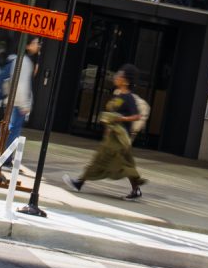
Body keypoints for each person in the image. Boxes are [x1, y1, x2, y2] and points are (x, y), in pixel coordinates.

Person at [62, 63, 148, 200]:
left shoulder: (129, 98)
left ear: (125, 81)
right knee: (122, 163)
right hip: (113, 136)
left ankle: (79, 182)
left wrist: (121, 119)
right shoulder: (118, 96)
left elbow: (137, 116)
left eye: (119, 76)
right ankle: (135, 190)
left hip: (120, 138)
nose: (115, 77)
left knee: (107, 161)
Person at [0, 37, 41, 166]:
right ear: (28, 46)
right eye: (36, 43)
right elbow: (22, 84)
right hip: (18, 102)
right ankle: (4, 158)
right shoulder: (24, 61)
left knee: (10, 128)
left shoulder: (17, 59)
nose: (38, 46)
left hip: (12, 101)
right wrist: (25, 105)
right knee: (13, 131)